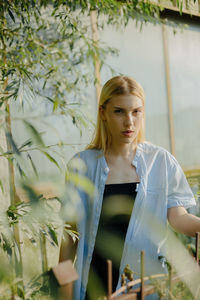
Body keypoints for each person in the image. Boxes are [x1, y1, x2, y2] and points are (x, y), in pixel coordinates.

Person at [65, 75, 200, 300]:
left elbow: (178, 218)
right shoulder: (82, 166)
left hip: (144, 287)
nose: (129, 122)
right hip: (94, 288)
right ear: (103, 113)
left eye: (136, 111)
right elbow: (70, 237)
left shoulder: (161, 162)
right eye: (119, 111)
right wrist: (63, 291)